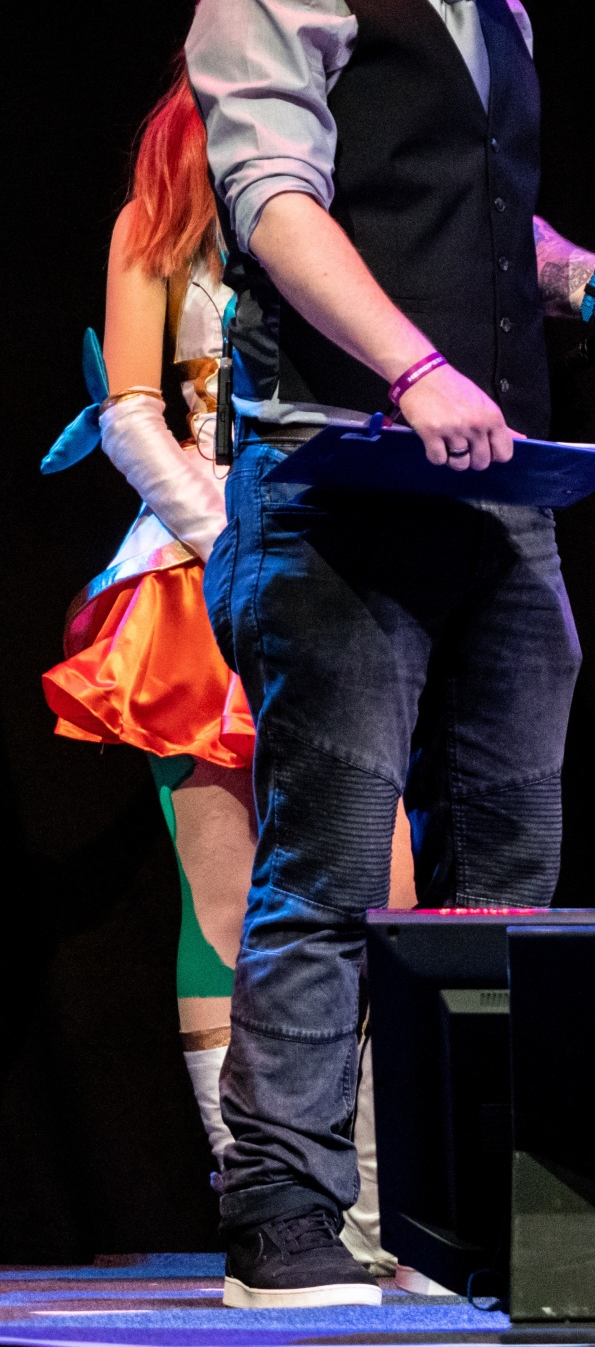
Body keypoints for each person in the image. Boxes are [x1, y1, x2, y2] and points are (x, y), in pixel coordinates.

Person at [188, 0, 595, 1307]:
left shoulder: (493, 7)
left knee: (505, 872)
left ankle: (461, 1216)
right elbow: (281, 207)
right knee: (333, 865)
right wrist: (412, 368)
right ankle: (281, 1220)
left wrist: (590, 281)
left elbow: (477, 219)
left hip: (494, 492)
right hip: (337, 479)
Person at [41, 81, 420, 1279]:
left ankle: (381, 1209)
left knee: (386, 889)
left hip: (346, 562)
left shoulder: (356, 205)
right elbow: (130, 415)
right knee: (229, 897)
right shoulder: (157, 216)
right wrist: (233, 543)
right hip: (197, 573)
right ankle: (268, 1202)